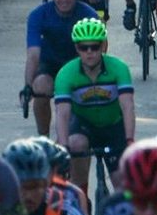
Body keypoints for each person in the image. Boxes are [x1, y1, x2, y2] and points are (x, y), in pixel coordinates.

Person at [53, 19, 136, 192]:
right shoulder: (66, 74)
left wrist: (129, 140)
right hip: (83, 125)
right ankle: (82, 201)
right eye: (84, 48)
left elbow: (127, 106)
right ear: (76, 48)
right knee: (75, 143)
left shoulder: (119, 68)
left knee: (122, 183)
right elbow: (62, 114)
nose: (89, 52)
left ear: (103, 45)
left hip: (113, 125)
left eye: (95, 47)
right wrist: (63, 148)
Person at [24, 0, 103, 135]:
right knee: (40, 87)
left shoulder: (89, 14)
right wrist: (28, 86)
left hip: (78, 63)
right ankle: (43, 138)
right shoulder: (38, 15)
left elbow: (100, 50)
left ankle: (74, 132)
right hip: (49, 63)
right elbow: (33, 54)